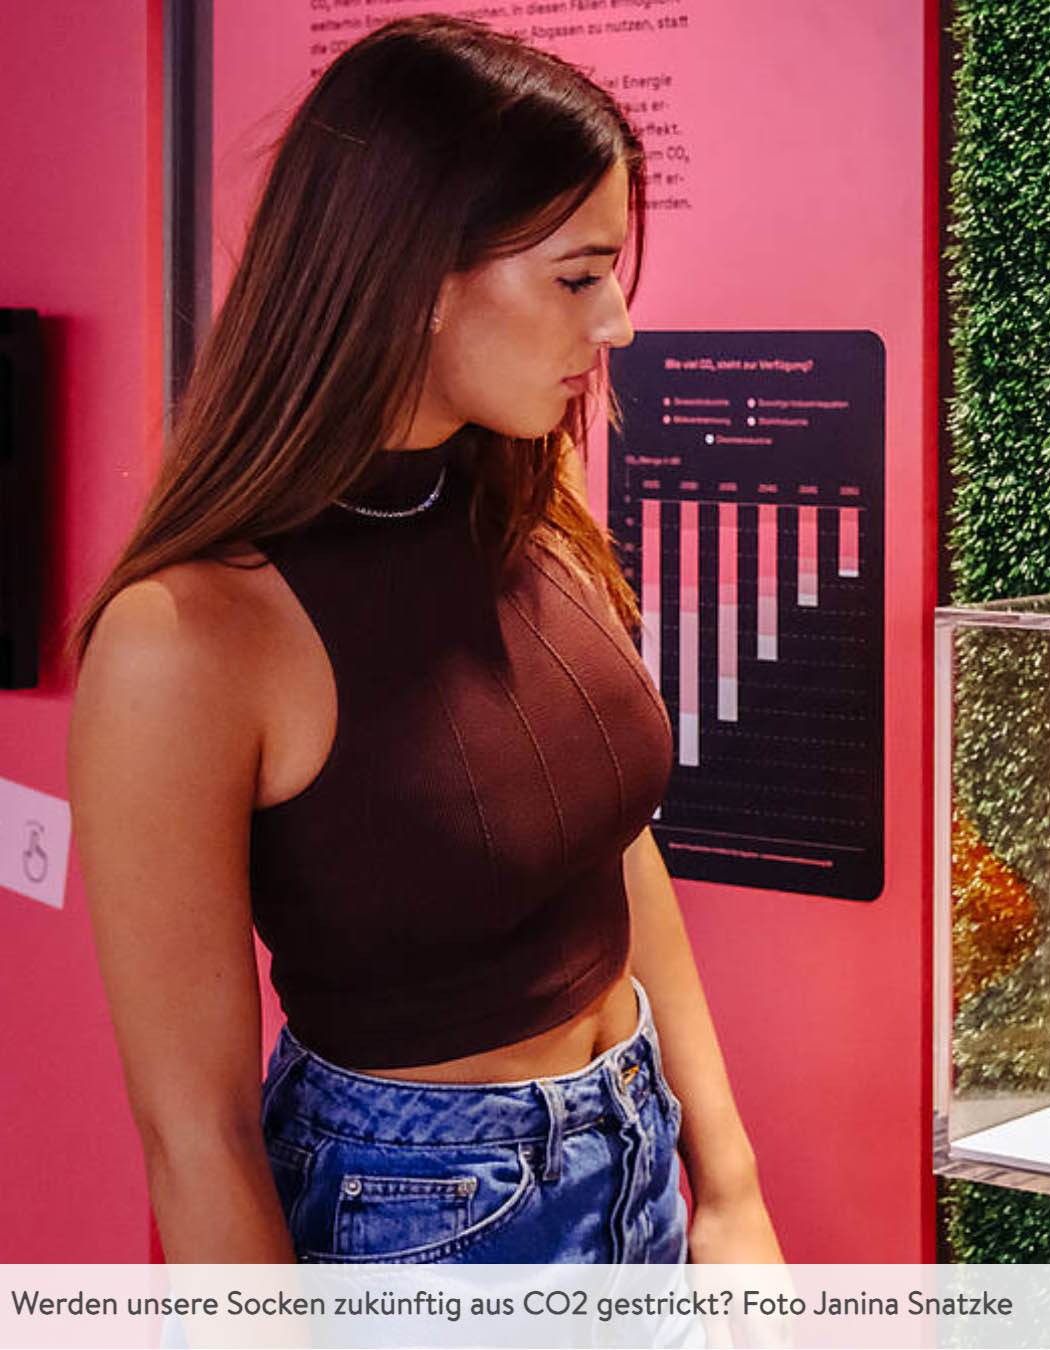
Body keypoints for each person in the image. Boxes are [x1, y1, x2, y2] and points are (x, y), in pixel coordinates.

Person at [67, 15, 782, 1266]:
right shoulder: (186, 640)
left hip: (637, 1154)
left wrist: (730, 1187)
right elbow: (196, 1136)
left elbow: (614, 851)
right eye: (577, 277)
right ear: (416, 278)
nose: (616, 322)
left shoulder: (530, 505)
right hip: (420, 1220)